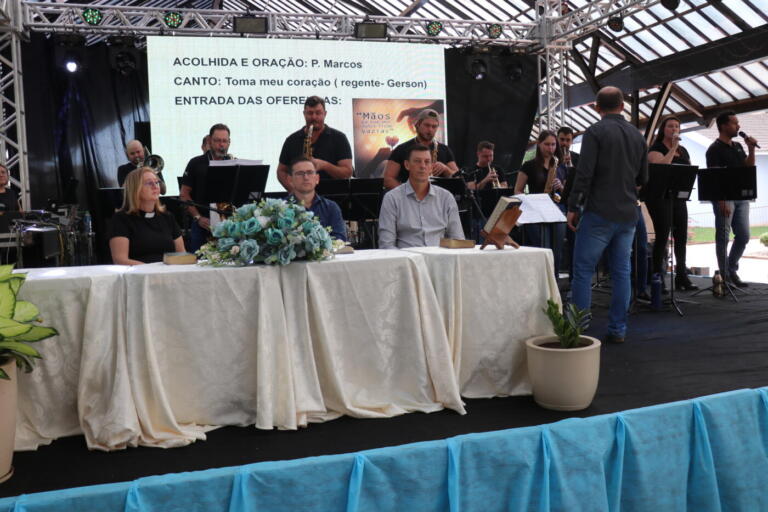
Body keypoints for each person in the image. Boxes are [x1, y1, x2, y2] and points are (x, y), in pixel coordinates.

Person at [567, 86, 648, 344]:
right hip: (628, 213)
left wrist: (573, 206)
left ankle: (578, 331)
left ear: (596, 108)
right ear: (623, 106)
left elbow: (585, 173)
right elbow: (644, 178)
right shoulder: (638, 135)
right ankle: (617, 329)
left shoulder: (595, 132)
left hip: (599, 211)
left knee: (582, 270)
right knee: (622, 271)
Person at [705, 110, 758, 288]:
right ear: (723, 126)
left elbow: (747, 168)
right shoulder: (714, 149)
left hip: (741, 197)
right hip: (724, 198)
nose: (738, 126)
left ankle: (730, 268)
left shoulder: (737, 146)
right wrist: (720, 201)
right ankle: (725, 278)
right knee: (723, 236)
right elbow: (713, 177)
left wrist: (750, 149)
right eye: (735, 123)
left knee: (743, 235)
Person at [646, 116, 697, 291]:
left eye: (677, 126)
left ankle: (682, 276)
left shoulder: (683, 151)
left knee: (681, 236)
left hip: (677, 196)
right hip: (659, 197)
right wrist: (673, 147)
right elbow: (661, 168)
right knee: (662, 236)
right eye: (670, 126)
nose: (674, 129)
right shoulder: (656, 148)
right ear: (663, 129)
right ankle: (657, 278)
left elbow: (688, 171)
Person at [379, 144, 464, 249]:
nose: (423, 166)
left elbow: (458, 240)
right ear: (407, 165)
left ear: (431, 166)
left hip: (441, 261)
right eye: (417, 161)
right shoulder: (392, 199)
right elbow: (386, 245)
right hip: (407, 262)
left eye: (427, 162)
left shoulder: (446, 198)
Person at [515, 130, 565, 277]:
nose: (550, 148)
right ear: (539, 144)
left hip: (556, 211)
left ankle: (554, 285)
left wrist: (561, 186)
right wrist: (531, 201)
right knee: (542, 249)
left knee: (557, 252)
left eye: (553, 145)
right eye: (547, 144)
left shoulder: (560, 165)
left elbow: (566, 193)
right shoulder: (529, 165)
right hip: (536, 213)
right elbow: (518, 190)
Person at [277, 96, 353, 192]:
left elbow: (347, 172)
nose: (314, 117)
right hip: (301, 201)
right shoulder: (291, 140)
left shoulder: (339, 138)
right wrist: (294, 192)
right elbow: (281, 171)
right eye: (310, 113)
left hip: (332, 198)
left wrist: (324, 165)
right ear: (304, 114)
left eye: (318, 113)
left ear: (325, 114)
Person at [109, 168, 184, 265]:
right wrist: (152, 271)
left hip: (168, 275)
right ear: (135, 188)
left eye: (157, 182)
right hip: (139, 277)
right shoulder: (121, 219)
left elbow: (181, 254)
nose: (155, 186)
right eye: (149, 183)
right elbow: (120, 260)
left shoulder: (168, 217)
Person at [180, 123, 232, 252]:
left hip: (229, 225)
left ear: (229, 142)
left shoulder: (233, 163)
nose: (221, 145)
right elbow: (184, 194)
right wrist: (198, 218)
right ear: (209, 141)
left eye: (224, 141)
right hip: (202, 225)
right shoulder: (196, 163)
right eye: (217, 141)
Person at [383, 109, 458, 190]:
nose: (430, 130)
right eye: (427, 125)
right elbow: (388, 179)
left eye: (434, 126)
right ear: (417, 124)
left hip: (438, 200)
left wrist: (445, 169)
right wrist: (405, 195)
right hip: (409, 199)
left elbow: (458, 179)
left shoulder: (444, 149)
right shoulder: (401, 149)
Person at [287, 157, 346, 241]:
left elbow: (340, 240)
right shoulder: (281, 208)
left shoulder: (331, 207)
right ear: (290, 180)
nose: (306, 177)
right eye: (300, 173)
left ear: (317, 179)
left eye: (310, 172)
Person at [557, 127, 580, 279]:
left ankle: (574, 277)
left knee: (575, 242)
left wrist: (571, 167)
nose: (564, 143)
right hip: (557, 204)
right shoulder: (551, 157)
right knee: (558, 243)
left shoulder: (578, 158)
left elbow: (580, 183)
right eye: (562, 140)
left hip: (574, 204)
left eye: (568, 140)